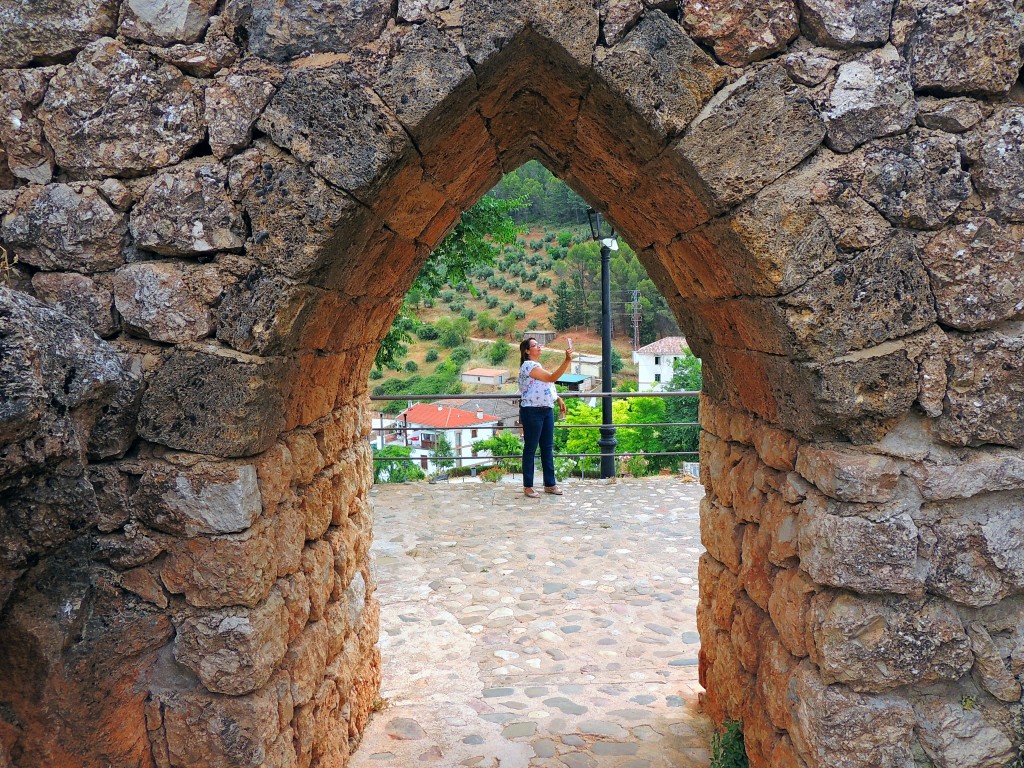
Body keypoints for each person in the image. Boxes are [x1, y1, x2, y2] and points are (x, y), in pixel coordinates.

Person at [517, 337, 571, 497]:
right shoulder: (528, 366)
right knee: (531, 448)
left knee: (547, 448)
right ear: (527, 351)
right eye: (535, 345)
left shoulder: (537, 366)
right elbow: (551, 378)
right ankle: (528, 486)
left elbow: (545, 385)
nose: (539, 347)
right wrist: (567, 360)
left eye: (538, 344)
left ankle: (550, 484)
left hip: (546, 410)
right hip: (532, 411)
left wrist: (558, 398)